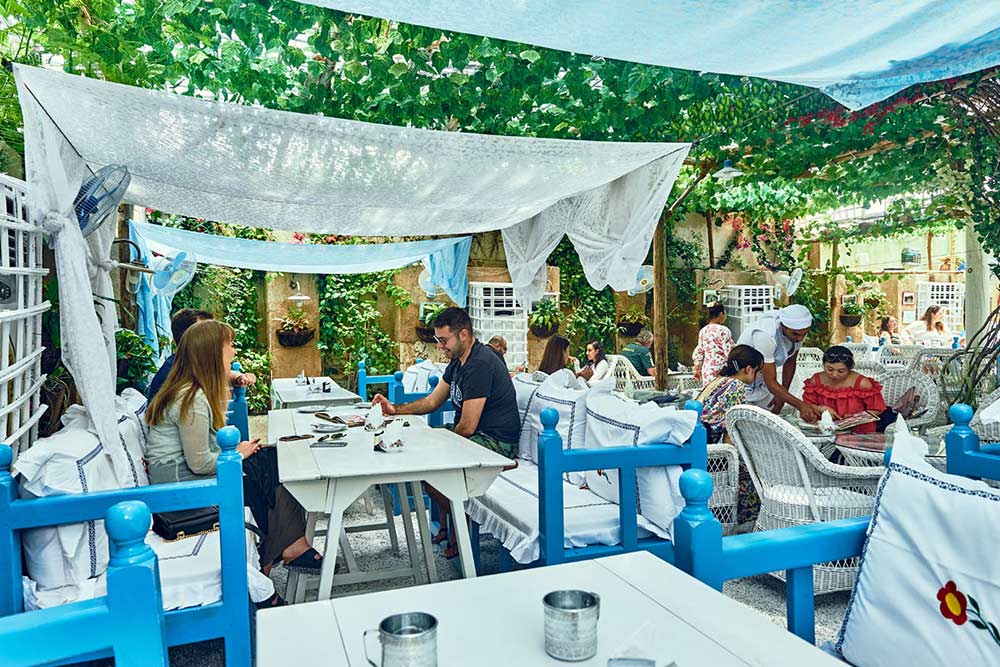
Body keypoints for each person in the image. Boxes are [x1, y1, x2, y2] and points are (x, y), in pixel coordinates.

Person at [145, 320, 319, 608]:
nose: (234, 350)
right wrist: (236, 454)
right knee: (262, 470)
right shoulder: (192, 398)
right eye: (230, 345)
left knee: (271, 459)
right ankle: (281, 552)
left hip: (184, 481)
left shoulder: (192, 390)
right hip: (181, 492)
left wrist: (239, 452)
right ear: (213, 353)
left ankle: (284, 549)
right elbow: (200, 462)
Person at [370, 307, 520, 558]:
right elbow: (431, 402)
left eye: (443, 340)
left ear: (463, 334)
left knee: (430, 463)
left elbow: (468, 426)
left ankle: (457, 528)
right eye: (437, 340)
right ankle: (452, 524)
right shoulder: (457, 362)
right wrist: (394, 409)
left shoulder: (481, 363)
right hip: (475, 435)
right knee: (422, 459)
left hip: (497, 443)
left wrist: (432, 442)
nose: (439, 346)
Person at [736, 304, 825, 422]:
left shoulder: (799, 331)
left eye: (804, 334)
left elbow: (791, 361)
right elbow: (770, 381)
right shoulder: (765, 335)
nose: (800, 338)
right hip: (741, 384)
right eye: (796, 334)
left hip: (761, 384)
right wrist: (801, 406)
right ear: (783, 326)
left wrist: (783, 393)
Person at [147, 308, 256, 400]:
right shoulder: (179, 381)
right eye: (207, 331)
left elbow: (218, 374)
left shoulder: (188, 363)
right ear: (192, 337)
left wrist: (239, 377)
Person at [802, 346, 888, 434]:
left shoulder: (862, 383)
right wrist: (821, 408)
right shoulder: (816, 380)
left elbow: (876, 409)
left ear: (849, 368)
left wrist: (855, 417)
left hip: (858, 431)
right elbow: (807, 404)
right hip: (824, 430)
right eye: (830, 369)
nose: (834, 374)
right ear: (823, 365)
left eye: (841, 371)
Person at [696, 345, 763, 444]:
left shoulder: (720, 380)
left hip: (697, 435)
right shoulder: (737, 386)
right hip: (706, 442)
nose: (760, 375)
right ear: (749, 369)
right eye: (759, 371)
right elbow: (733, 425)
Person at [692, 303, 734, 387]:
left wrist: (697, 368)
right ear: (721, 314)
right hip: (722, 369)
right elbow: (729, 352)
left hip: (707, 370)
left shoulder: (703, 331)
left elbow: (699, 351)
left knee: (708, 395)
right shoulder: (724, 330)